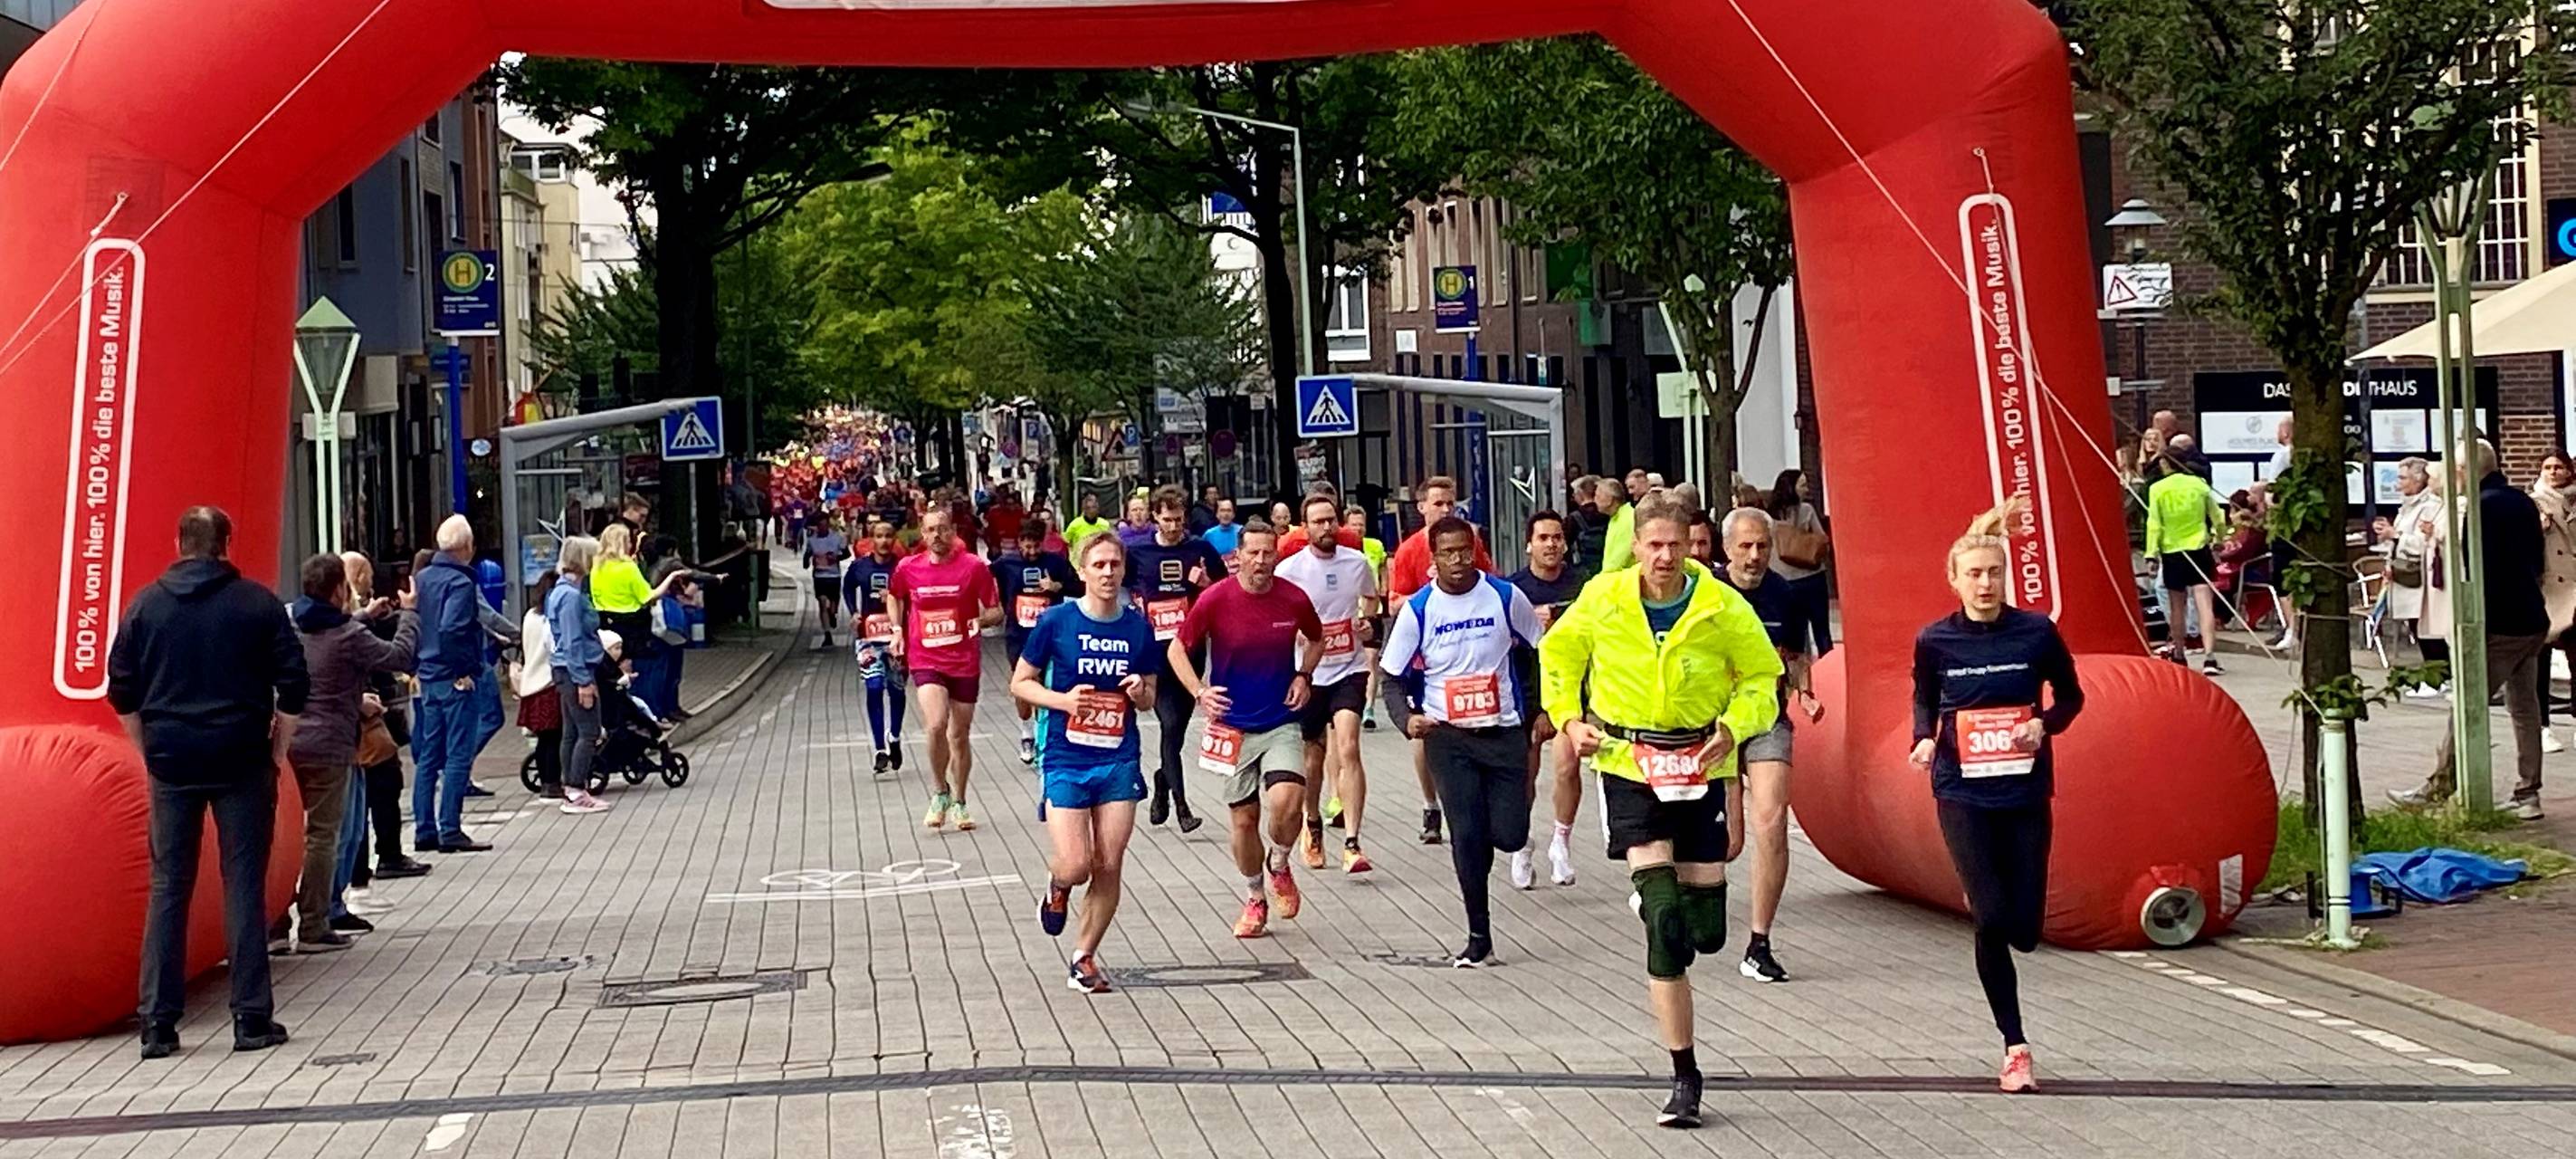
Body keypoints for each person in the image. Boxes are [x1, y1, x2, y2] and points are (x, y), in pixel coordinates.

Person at [1537, 494, 1782, 1129]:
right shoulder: (1604, 597)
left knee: (1707, 933)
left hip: (1701, 763)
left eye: (1677, 545)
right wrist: (1569, 719)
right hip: (1629, 761)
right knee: (1665, 924)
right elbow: (1559, 656)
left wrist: (1735, 726)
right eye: (1654, 546)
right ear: (1637, 546)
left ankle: (1671, 902)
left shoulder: (1722, 606)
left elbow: (1763, 678)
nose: (1666, 557)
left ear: (1693, 544)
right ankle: (1684, 1074)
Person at [108, 506, 310, 1058]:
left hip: (173, 759)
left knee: (168, 886)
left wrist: (147, 749)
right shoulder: (257, 604)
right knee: (243, 883)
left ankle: (158, 1024)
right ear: (227, 544)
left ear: (178, 543)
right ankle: (250, 1018)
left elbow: (121, 688)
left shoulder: (145, 606)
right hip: (242, 757)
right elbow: (294, 682)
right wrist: (277, 746)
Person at [1908, 500, 2085, 1094]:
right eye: (1974, 574)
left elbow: (2070, 696)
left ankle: (1995, 900)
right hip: (1961, 792)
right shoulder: (1936, 640)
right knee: (1989, 917)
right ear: (1954, 580)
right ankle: (2015, 1047)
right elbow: (1925, 701)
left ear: (2005, 578)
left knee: (2026, 929)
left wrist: (2045, 725)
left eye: (1994, 573)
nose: (1985, 583)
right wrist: (1923, 742)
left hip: (2025, 788)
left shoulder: (2035, 632)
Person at [1381, 516, 1548, 967]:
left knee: (1510, 834)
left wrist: (1543, 710)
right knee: (1467, 835)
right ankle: (1480, 936)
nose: (1458, 560)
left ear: (1475, 550)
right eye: (1448, 553)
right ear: (1432, 559)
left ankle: (1504, 841)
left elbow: (1543, 652)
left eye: (1464, 551)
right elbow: (1391, 678)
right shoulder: (1418, 609)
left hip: (1504, 731)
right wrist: (1407, 720)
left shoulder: (1504, 596)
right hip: (1448, 737)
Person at [1013, 532, 1159, 993]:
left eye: (1115, 564)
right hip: (1066, 756)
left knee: (1109, 862)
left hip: (1118, 756)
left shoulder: (1137, 626)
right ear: (1081, 571)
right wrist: (1062, 700)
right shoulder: (1057, 621)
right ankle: (1058, 887)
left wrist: (1139, 693)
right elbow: (1020, 683)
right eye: (1098, 565)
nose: (1108, 573)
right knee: (1077, 864)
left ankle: (1084, 956)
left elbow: (1150, 697)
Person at [1169, 520, 1324, 939]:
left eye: (1268, 553)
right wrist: (1200, 692)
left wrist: (1303, 676)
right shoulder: (1215, 599)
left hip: (1279, 719)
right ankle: (1255, 896)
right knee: (1242, 822)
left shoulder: (1292, 598)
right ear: (1237, 557)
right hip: (1232, 726)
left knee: (1288, 800)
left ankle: (1280, 861)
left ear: (1277, 554)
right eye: (1252, 553)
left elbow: (1317, 638)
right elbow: (1176, 649)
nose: (1260, 561)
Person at [2393, 441, 2550, 820]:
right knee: (2525, 706)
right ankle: (2528, 791)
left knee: (2467, 702)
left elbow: (2476, 571)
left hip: (2499, 623)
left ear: (2465, 472)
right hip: (2531, 616)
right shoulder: (2522, 501)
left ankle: (2441, 783)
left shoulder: (2480, 509)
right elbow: (2536, 559)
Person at [280, 553, 419, 953]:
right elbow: (398, 657)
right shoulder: (347, 636)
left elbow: (331, 632)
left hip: (289, 743)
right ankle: (313, 924)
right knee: (322, 836)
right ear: (340, 589)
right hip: (330, 745)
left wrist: (367, 616)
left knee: (284, 836)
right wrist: (409, 615)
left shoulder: (291, 625)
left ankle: (274, 925)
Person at [1713, 507, 1822, 982]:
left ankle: (1759, 942)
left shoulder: (1786, 595)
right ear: (1726, 550)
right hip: (1709, 724)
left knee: (1772, 820)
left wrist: (1805, 692)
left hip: (1765, 720)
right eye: (1745, 547)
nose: (1755, 556)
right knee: (1729, 843)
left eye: (1762, 546)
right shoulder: (1707, 594)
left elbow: (1795, 658)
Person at [1276, 493, 1381, 874]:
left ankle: (1353, 842)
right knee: (1312, 757)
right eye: (1318, 522)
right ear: (1306, 528)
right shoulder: (1289, 570)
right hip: (1309, 674)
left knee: (1349, 746)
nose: (1326, 528)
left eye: (1330, 520)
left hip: (1349, 669)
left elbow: (1372, 599)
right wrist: (1294, 638)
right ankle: (1313, 822)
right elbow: (1276, 618)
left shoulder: (1356, 563)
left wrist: (1367, 623)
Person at [891, 502, 1003, 830]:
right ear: (922, 535)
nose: (937, 535)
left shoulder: (973, 567)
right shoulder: (909, 568)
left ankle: (961, 800)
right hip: (926, 658)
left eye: (943, 529)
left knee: (959, 735)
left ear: (953, 532)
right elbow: (894, 596)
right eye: (930, 530)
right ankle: (940, 790)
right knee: (936, 724)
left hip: (964, 660)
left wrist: (978, 621)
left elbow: (996, 610)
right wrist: (898, 630)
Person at [1131, 485, 1230, 832]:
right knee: (1169, 725)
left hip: (1190, 654)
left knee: (1175, 732)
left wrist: (1205, 583)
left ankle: (1162, 782)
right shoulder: (1138, 552)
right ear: (1155, 517)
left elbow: (1226, 590)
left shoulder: (1200, 548)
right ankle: (1183, 808)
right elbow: (1123, 587)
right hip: (1155, 656)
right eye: (1167, 519)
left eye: (1179, 519)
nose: (1174, 526)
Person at [410, 516, 503, 854]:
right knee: (457, 754)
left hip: (428, 675)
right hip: (453, 677)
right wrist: (465, 669)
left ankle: (424, 829)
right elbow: (453, 629)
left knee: (429, 757)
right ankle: (450, 827)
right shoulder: (461, 583)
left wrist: (415, 664)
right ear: (466, 547)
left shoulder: (422, 578)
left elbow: (414, 624)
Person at [1505, 510, 1586, 889]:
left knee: (1568, 766)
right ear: (1529, 545)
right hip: (1525, 691)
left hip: (1571, 691)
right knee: (1525, 773)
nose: (1551, 544)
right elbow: (1504, 647)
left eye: (1557, 538)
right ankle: (1521, 844)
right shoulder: (1513, 589)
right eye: (1543, 538)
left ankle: (1561, 841)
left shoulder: (1583, 585)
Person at [546, 536, 618, 815]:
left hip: (565, 669)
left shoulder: (561, 592)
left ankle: (571, 787)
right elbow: (573, 640)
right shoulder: (572, 597)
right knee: (588, 730)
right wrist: (584, 681)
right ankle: (576, 790)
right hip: (575, 669)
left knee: (571, 731)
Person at [995, 523, 1079, 763]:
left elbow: (1081, 587)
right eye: (1027, 546)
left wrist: (1057, 587)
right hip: (1017, 635)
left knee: (1047, 686)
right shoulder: (1005, 564)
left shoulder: (1055, 563)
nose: (1031, 551)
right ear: (1019, 543)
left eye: (1036, 546)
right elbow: (984, 579)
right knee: (1021, 684)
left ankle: (1047, 737)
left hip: (1051, 636)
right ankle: (1026, 733)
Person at [2145, 438, 2228, 675]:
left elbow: (2155, 524)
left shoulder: (2157, 489)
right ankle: (2210, 657)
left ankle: (2179, 653)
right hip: (2199, 549)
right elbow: (2218, 516)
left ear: (2166, 464)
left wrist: (2152, 553)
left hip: (2173, 552)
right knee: (2204, 604)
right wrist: (2218, 538)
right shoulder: (2199, 484)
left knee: (2176, 606)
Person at [845, 519, 911, 774]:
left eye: (889, 536)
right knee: (873, 687)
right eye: (879, 536)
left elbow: (914, 595)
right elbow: (848, 587)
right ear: (871, 539)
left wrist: (897, 600)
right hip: (869, 638)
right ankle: (879, 749)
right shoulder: (860, 567)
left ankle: (894, 736)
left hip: (896, 639)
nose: (884, 541)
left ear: (895, 539)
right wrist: (853, 612)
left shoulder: (902, 569)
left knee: (896, 691)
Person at [2387, 458, 2447, 698]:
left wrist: (2396, 535)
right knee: (2416, 625)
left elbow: (2425, 542)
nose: (2398, 483)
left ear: (2419, 479)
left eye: (2402, 478)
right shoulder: (2407, 505)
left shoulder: (2430, 505)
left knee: (2427, 628)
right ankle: (2435, 675)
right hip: (2404, 573)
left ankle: (2439, 677)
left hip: (2421, 575)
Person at [2532, 451, 2576, 752]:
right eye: (2547, 467)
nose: (2553, 472)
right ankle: (2543, 727)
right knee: (2540, 660)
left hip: (2574, 587)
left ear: (2569, 471)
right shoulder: (2533, 502)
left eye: (2558, 467)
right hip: (2550, 588)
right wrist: (2539, 530)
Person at [1763, 469, 1835, 656]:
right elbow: (1821, 538)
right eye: (1802, 485)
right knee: (1821, 631)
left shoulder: (1769, 516)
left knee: (1794, 634)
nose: (1806, 489)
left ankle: (1799, 676)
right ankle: (1825, 667)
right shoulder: (1806, 510)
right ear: (1792, 488)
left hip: (1784, 580)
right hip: (1812, 577)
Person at [518, 570, 567, 800]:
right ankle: (552, 782)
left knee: (543, 739)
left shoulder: (529, 616)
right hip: (549, 684)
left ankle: (547, 781)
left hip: (530, 684)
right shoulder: (551, 620)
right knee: (554, 738)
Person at [1345, 503, 1391, 733]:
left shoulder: (1375, 545)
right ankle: (1352, 705)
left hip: (1372, 611)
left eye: (1361, 525)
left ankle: (1369, 709)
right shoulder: (1341, 549)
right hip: (1349, 614)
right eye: (1354, 525)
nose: (1358, 529)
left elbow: (1383, 566)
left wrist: (1384, 588)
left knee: (1371, 659)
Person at [804, 514, 852, 650]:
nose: (822, 528)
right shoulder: (812, 540)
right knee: (822, 602)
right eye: (820, 526)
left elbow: (847, 553)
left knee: (833, 604)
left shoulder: (836, 538)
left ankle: (833, 615)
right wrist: (806, 561)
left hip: (834, 575)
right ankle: (827, 634)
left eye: (825, 525)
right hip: (819, 576)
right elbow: (807, 554)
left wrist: (836, 557)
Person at [1600, 470, 1641, 574]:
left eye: (1598, 495)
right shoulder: (1616, 517)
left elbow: (1620, 559)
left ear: (1610, 499)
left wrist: (1601, 581)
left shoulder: (1627, 518)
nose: (1595, 499)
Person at [1204, 497, 1244, 570]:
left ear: (1234, 514)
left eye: (1229, 510)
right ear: (1217, 514)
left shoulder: (1242, 531)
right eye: (1222, 510)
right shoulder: (1209, 535)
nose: (1226, 514)